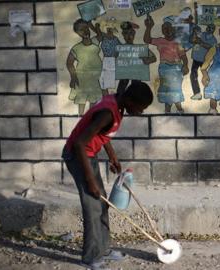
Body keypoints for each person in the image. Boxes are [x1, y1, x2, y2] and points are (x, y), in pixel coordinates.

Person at [62, 80, 153, 270]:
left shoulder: (118, 103)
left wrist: (112, 156)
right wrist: (90, 181)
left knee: (102, 203)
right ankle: (90, 257)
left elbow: (101, 135)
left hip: (88, 154)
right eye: (140, 108)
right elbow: (79, 143)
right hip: (78, 156)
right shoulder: (106, 113)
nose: (141, 112)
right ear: (130, 100)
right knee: (93, 206)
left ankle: (103, 249)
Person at [144, 15, 189, 113]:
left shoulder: (178, 42)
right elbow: (147, 40)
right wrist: (148, 27)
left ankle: (179, 109)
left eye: (169, 27)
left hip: (176, 69)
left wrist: (185, 65)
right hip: (164, 69)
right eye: (164, 28)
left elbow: (183, 56)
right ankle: (168, 111)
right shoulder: (160, 41)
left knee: (175, 89)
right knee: (167, 90)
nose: (167, 30)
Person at [66, 19, 103, 116]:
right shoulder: (76, 48)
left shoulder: (95, 41)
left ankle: (91, 118)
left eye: (86, 28)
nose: (85, 31)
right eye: (81, 30)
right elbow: (69, 63)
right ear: (77, 33)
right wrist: (73, 77)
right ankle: (81, 118)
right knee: (81, 100)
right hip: (81, 79)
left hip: (94, 79)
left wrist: (95, 27)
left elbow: (100, 36)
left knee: (93, 99)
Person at [93, 18, 122, 94]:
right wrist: (96, 26)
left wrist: (117, 54)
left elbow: (121, 48)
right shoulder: (104, 37)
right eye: (108, 29)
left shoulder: (116, 39)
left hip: (112, 61)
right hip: (105, 60)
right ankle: (106, 98)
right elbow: (97, 31)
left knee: (106, 83)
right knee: (102, 82)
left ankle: (107, 98)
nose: (109, 30)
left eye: (111, 29)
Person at [189, 23, 217, 100]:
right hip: (196, 59)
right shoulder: (201, 34)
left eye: (212, 28)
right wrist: (194, 33)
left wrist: (200, 42)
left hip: (205, 61)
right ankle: (197, 93)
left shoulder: (214, 40)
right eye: (209, 27)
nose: (210, 29)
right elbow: (191, 40)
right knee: (193, 75)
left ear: (214, 30)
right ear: (207, 27)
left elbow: (211, 48)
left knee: (207, 77)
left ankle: (210, 91)